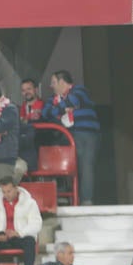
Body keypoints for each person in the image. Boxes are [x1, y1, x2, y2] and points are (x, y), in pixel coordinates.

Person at [44, 70, 100, 205]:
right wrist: (64, 108)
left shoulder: (79, 90)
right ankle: (68, 197)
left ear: (62, 82)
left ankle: (86, 201)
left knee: (86, 166)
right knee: (64, 166)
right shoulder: (53, 98)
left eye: (53, 82)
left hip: (86, 133)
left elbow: (73, 100)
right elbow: (46, 113)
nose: (51, 86)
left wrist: (59, 108)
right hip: (65, 136)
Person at [0, 178, 40, 265]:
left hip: (20, 237)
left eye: (9, 191)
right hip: (3, 238)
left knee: (30, 242)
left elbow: (36, 224)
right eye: (4, 192)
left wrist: (19, 233)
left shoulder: (29, 203)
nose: (6, 194)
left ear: (16, 188)